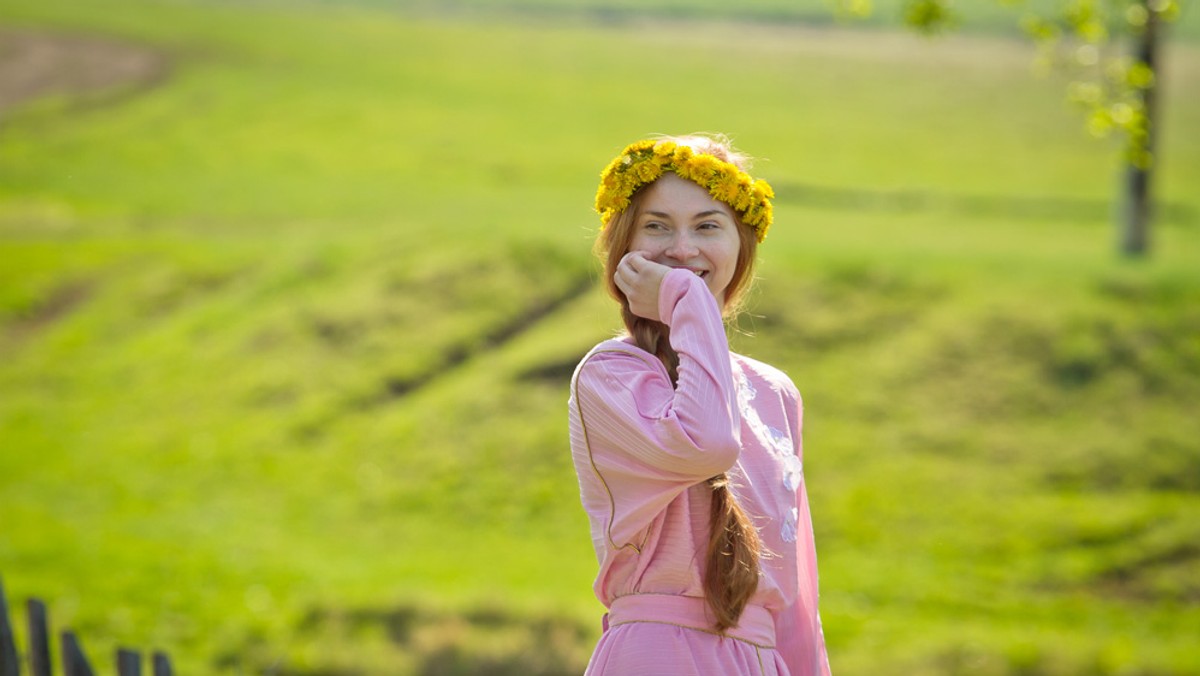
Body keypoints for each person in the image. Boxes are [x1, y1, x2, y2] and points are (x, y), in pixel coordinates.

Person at [568, 135, 831, 675]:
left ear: (741, 248)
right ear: (624, 247)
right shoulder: (610, 376)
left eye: (708, 226)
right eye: (656, 225)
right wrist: (685, 299)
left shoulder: (775, 392)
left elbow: (797, 600)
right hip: (659, 655)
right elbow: (707, 443)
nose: (682, 249)